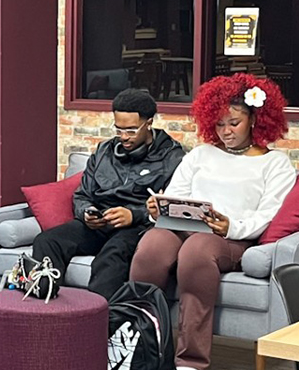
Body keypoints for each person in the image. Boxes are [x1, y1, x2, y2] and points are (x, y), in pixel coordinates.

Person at [130, 74, 297, 370]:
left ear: (257, 120)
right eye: (219, 124)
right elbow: (175, 193)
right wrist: (158, 210)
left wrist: (229, 226)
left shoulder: (276, 164)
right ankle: (139, 349)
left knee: (196, 251)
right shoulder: (201, 154)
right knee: (150, 248)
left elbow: (268, 215)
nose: (226, 131)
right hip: (184, 226)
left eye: (234, 123)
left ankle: (191, 360)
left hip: (229, 238)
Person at [24, 88, 184, 297]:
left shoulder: (173, 157)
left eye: (131, 130)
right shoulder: (103, 152)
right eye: (119, 130)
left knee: (110, 258)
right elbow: (82, 195)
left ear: (149, 122)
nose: (124, 137)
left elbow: (173, 207)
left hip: (137, 228)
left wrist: (133, 215)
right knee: (47, 241)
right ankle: (50, 314)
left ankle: (100, 324)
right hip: (99, 224)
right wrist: (87, 213)